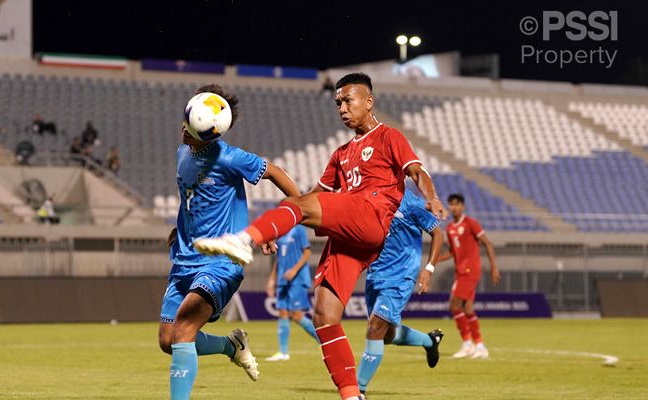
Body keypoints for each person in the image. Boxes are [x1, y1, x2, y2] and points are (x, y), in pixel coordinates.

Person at [194, 73, 447, 400]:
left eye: (348, 100)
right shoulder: (341, 154)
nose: (342, 108)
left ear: (368, 101)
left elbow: (417, 170)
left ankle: (244, 240)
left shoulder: (388, 136)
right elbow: (312, 197)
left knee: (296, 207)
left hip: (370, 215)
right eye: (338, 103)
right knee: (325, 315)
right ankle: (352, 394)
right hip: (351, 238)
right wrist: (281, 223)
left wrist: (433, 196)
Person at [158, 84, 301, 400]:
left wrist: (289, 215)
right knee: (169, 341)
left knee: (183, 328)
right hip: (185, 257)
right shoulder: (183, 153)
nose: (184, 130)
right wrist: (179, 228)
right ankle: (231, 345)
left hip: (222, 261)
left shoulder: (230, 157)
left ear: (210, 133)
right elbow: (191, 199)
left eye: (191, 128)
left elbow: (275, 172)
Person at [356, 190, 444, 397]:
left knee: (375, 327)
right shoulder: (369, 197)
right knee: (386, 335)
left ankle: (357, 390)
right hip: (375, 274)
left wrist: (429, 268)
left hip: (401, 274)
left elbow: (437, 234)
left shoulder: (411, 202)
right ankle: (430, 341)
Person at [437, 193, 500, 359]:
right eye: (451, 204)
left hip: (470, 271)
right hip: (460, 271)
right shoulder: (450, 228)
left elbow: (487, 243)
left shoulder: (471, 223)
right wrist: (436, 259)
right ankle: (479, 345)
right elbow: (452, 251)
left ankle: (467, 343)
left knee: (454, 306)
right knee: (468, 308)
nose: (454, 207)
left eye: (457, 204)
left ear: (462, 206)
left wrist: (494, 267)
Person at [265, 224, 319, 362]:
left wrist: (294, 270)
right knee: (282, 312)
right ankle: (283, 352)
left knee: (296, 315)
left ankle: (324, 342)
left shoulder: (299, 230)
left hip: (297, 279)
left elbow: (307, 252)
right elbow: (279, 258)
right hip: (283, 279)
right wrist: (272, 279)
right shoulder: (280, 232)